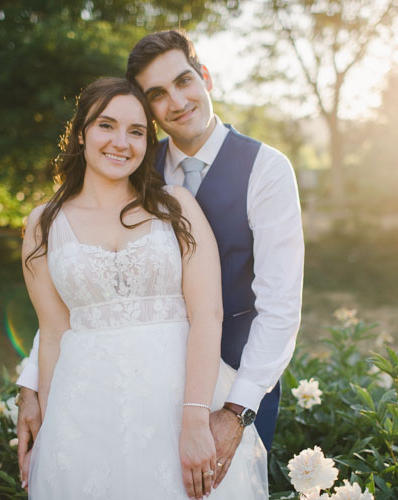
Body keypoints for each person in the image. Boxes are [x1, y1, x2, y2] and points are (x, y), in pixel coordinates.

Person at [18, 29, 304, 492]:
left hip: (234, 384)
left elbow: (280, 305)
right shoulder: (130, 160)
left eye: (184, 81)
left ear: (205, 78)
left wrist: (234, 412)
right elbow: (87, 289)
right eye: (157, 95)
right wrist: (32, 383)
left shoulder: (266, 169)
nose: (176, 101)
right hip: (100, 396)